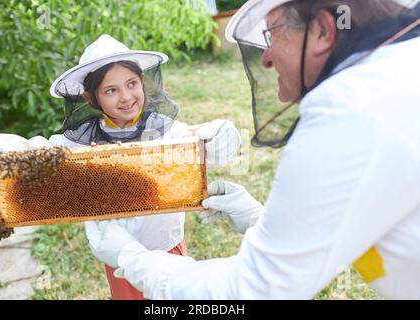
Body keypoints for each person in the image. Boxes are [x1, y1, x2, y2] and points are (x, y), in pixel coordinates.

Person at [80, 0, 420, 299]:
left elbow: (253, 291)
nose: (267, 57)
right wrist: (258, 219)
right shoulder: (392, 75)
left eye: (272, 35)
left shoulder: (351, 108)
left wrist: (131, 258)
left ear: (322, 30)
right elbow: (333, 239)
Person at [0, 34, 241, 299]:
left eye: (132, 83)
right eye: (111, 90)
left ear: (143, 82)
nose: (126, 97)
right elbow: (36, 152)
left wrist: (217, 136)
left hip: (166, 245)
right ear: (91, 98)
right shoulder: (81, 142)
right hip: (118, 253)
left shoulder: (164, 131)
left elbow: (196, 141)